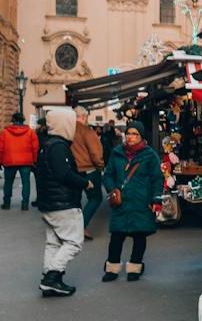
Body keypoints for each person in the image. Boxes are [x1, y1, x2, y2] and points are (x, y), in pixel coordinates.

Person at [100, 123, 160, 281]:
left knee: (139, 236)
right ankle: (111, 269)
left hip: (141, 201)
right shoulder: (116, 153)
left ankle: (135, 266)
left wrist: (156, 199)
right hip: (121, 202)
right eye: (128, 133)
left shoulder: (149, 155)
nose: (131, 137)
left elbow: (157, 179)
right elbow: (107, 175)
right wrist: (112, 189)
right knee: (116, 236)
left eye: (135, 134)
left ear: (141, 136)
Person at [35, 106, 84, 297]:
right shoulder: (58, 146)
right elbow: (64, 174)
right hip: (62, 202)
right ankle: (52, 277)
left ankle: (51, 279)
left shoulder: (47, 144)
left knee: (54, 242)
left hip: (48, 202)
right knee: (73, 242)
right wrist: (84, 182)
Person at [71, 107, 105, 239]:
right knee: (95, 197)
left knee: (75, 199)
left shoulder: (68, 131)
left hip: (73, 170)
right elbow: (95, 153)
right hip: (89, 169)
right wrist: (100, 166)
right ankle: (81, 227)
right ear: (84, 117)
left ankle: (73, 227)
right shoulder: (87, 131)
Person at [0, 111, 39, 210]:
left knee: (8, 182)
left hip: (10, 161)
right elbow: (35, 148)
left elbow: (0, 148)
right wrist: (35, 160)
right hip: (26, 162)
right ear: (23, 120)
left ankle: (6, 203)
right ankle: (25, 204)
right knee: (26, 183)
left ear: (13, 120)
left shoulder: (5, 132)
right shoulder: (30, 132)